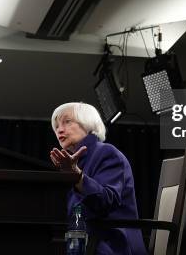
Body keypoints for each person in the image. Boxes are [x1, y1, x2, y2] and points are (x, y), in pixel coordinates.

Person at [50, 102, 147, 255]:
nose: (59, 129)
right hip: (83, 242)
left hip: (111, 245)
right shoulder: (73, 164)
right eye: (56, 126)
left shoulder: (107, 153)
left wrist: (78, 177)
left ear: (88, 124)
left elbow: (106, 202)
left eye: (67, 122)